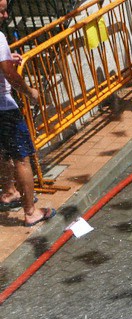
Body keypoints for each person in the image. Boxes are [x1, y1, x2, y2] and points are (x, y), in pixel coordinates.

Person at [0, 1, 56, 227]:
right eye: (1, 11)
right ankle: (31, 212)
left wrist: (6, 58)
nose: (5, 16)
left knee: (3, 153)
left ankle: (9, 192)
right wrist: (29, 91)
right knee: (21, 158)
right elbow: (9, 73)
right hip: (5, 108)